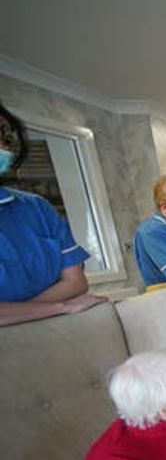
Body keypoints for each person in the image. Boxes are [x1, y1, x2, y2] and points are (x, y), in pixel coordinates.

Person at [0, 102, 105, 326]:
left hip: (55, 331)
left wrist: (18, 313)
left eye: (5, 137)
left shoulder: (36, 207)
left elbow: (76, 282)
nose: (2, 146)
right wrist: (58, 307)